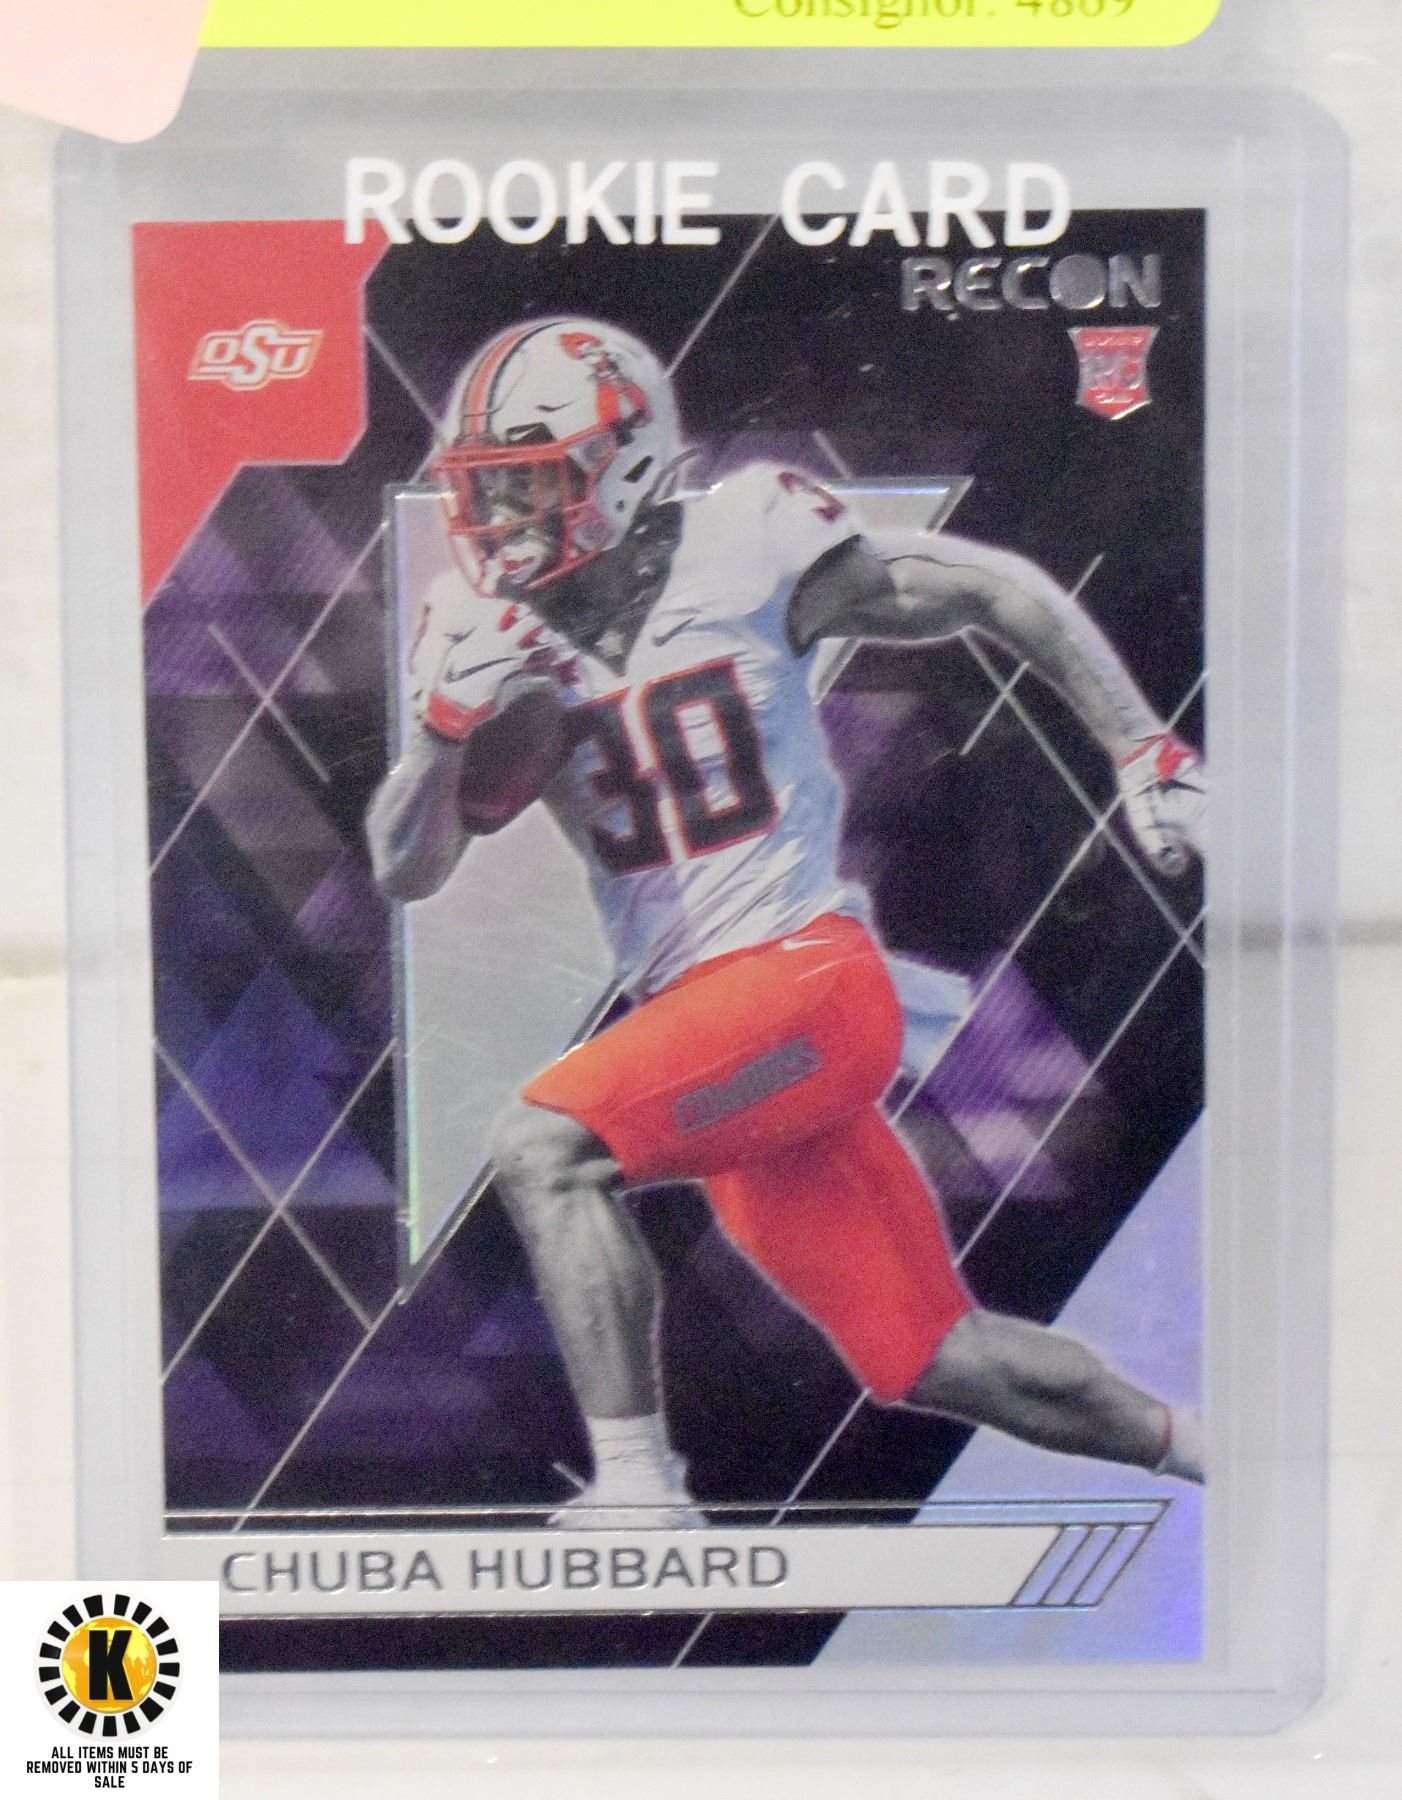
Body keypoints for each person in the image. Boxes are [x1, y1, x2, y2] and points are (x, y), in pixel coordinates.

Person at [367, 317, 1207, 1527]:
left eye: (529, 480)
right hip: (720, 1036)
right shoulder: (486, 627)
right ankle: (1216, 1451)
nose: (498, 515)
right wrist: (439, 734)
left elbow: (988, 589)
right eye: (484, 484)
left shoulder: (745, 540)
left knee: (541, 1149)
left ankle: (637, 1488)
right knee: (934, 1356)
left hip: (803, 982)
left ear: (625, 464)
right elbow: (408, 866)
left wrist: (1139, 744)